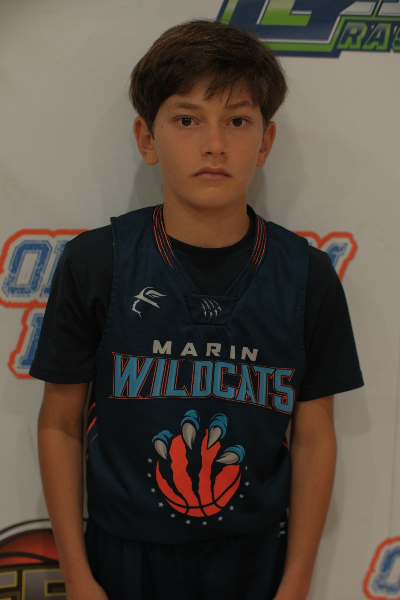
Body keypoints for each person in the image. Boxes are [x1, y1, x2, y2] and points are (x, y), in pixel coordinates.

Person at [31, 19, 363, 600]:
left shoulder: (306, 276)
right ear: (147, 138)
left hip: (254, 561)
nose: (214, 144)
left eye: (237, 120)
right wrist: (77, 576)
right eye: (187, 120)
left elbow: (314, 438)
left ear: (265, 141)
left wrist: (296, 582)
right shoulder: (97, 263)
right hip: (121, 558)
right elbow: (60, 423)